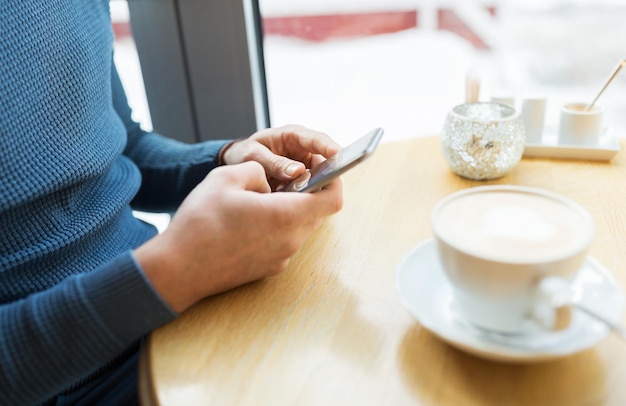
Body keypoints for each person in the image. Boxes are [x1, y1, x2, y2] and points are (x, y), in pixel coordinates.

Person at [0, 2, 343, 405]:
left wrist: (226, 157)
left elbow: (123, 145)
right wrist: (177, 271)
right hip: (69, 384)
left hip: (166, 309)